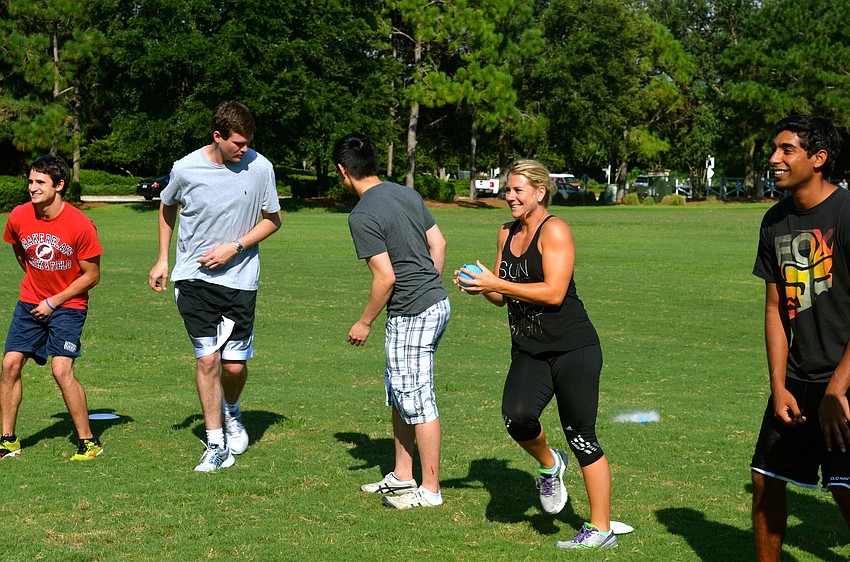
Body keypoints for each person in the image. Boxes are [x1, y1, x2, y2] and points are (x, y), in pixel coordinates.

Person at [455, 159, 616, 549]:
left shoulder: (555, 230)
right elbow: (500, 294)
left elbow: (554, 292)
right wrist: (482, 287)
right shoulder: (505, 232)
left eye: (517, 190)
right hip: (528, 349)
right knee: (517, 418)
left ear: (540, 192)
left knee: (582, 437)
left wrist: (498, 284)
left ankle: (601, 529)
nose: (508, 196)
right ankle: (549, 463)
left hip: (573, 348)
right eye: (507, 189)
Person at [148, 101, 282, 472]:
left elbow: (273, 220)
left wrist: (234, 247)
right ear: (217, 136)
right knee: (208, 358)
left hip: (240, 279)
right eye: (238, 143)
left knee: (234, 367)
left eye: (248, 142)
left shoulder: (261, 168)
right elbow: (166, 204)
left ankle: (232, 409)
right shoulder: (186, 167)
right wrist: (163, 259)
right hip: (193, 278)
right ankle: (215, 442)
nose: (245, 149)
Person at [751, 114, 850, 562]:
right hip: (798, 378)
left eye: (787, 149)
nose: (774, 158)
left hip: (845, 378)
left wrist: (837, 389)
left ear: (819, 158)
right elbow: (774, 309)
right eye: (775, 149)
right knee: (765, 479)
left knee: (845, 490)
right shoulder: (775, 220)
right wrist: (778, 385)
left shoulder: (847, 214)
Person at [333, 133, 450, 510]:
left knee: (418, 400)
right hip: (430, 304)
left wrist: (364, 322)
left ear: (342, 171)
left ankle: (430, 490)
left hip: (414, 310)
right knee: (400, 394)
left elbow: (385, 278)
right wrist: (431, 283)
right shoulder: (406, 193)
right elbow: (440, 244)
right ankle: (403, 475)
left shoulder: (363, 214)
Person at [1, 155, 104, 461]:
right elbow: (21, 251)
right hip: (31, 301)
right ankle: (7, 441)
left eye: (40, 182)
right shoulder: (19, 216)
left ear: (59, 185)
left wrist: (54, 300)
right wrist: (37, 289)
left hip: (68, 305)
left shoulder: (80, 225)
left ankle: (88, 442)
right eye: (31, 181)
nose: (32, 188)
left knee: (61, 369)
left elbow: (92, 275)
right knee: (9, 365)